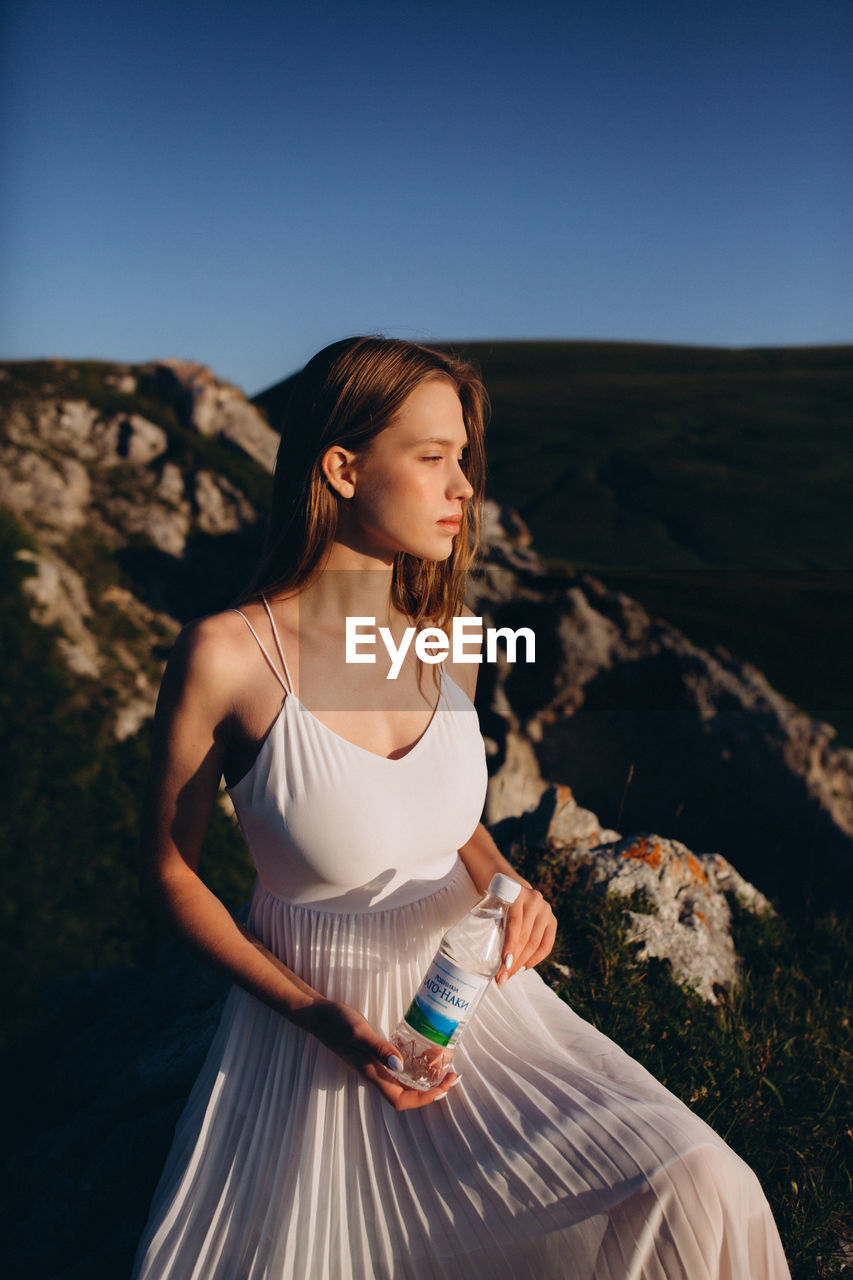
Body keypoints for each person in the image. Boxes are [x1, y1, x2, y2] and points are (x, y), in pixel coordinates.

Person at [131, 336, 790, 1279]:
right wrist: (318, 1019)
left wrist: (513, 885)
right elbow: (166, 870)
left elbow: (442, 821)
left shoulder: (454, 636)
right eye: (433, 458)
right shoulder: (228, 657)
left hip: (477, 1016)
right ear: (343, 467)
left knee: (702, 1183)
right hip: (317, 1038)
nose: (463, 487)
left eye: (463, 460)